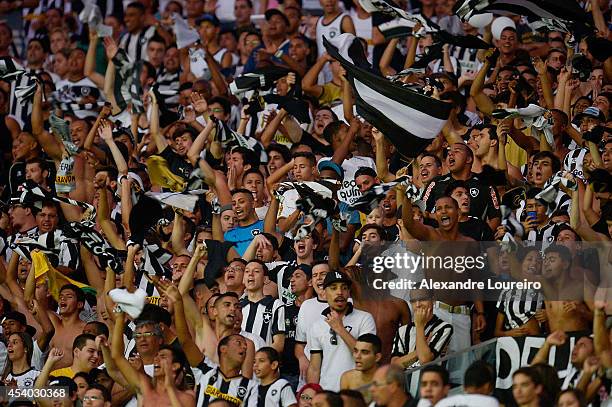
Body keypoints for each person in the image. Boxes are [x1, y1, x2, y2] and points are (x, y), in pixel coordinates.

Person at [306, 270, 376, 391]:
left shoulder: (365, 318)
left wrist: (339, 328)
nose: (340, 292)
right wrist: (312, 394)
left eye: (344, 288)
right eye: (333, 288)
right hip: (327, 394)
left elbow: (367, 356)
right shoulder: (317, 326)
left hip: (357, 392)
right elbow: (314, 368)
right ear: (324, 292)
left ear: (349, 292)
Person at [339, 333, 382, 404]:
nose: (357, 356)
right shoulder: (347, 377)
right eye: (355, 351)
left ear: (377, 357)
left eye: (364, 352)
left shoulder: (386, 378)